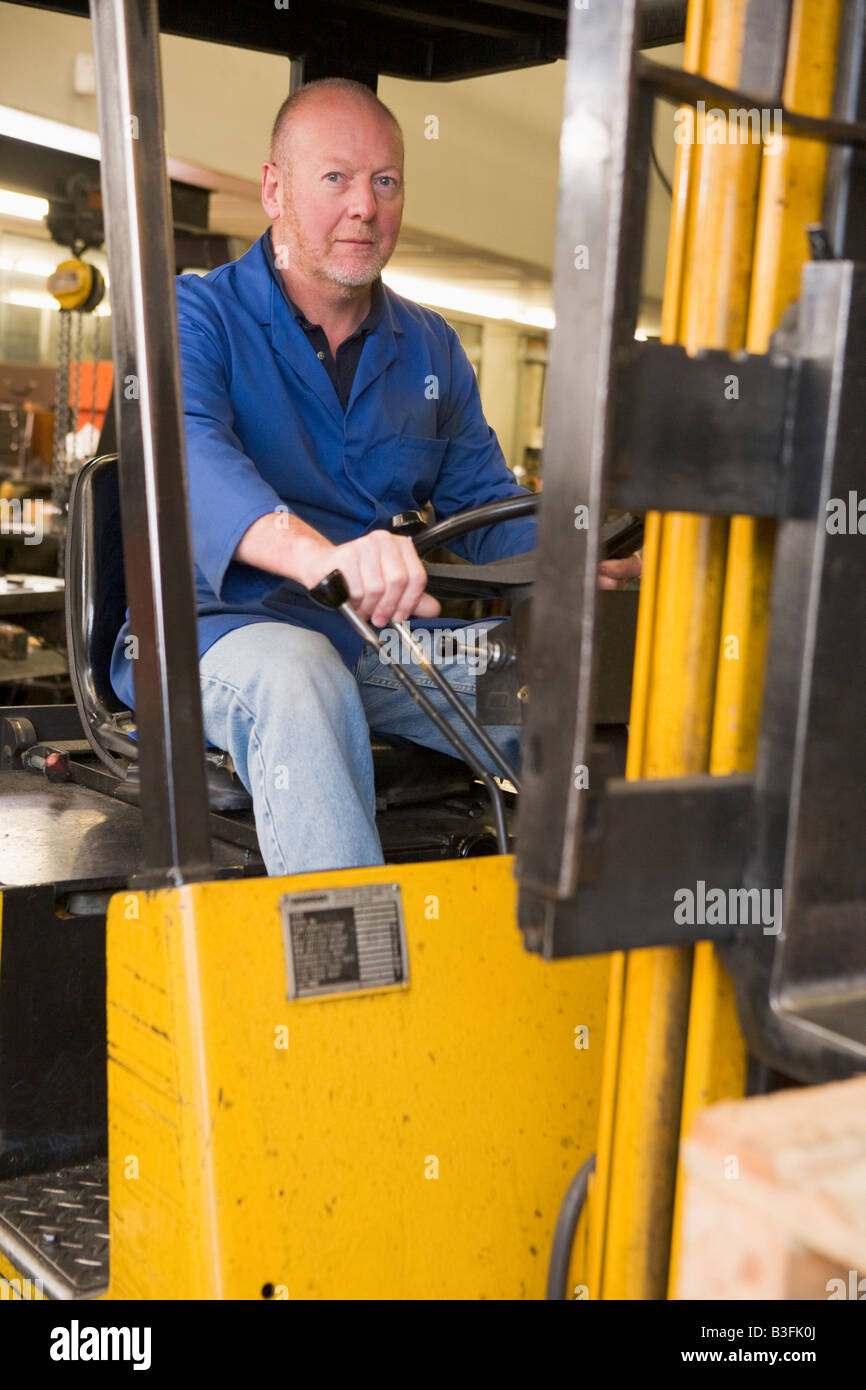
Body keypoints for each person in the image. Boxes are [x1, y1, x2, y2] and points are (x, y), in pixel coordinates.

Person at [110, 77, 639, 875]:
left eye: (384, 182)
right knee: (301, 675)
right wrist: (326, 559)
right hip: (212, 632)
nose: (365, 205)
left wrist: (576, 558)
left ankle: (614, 947)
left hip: (384, 648)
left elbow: (489, 503)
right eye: (336, 179)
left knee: (578, 680)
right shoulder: (193, 316)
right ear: (274, 189)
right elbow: (187, 460)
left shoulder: (428, 347)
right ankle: (354, 983)